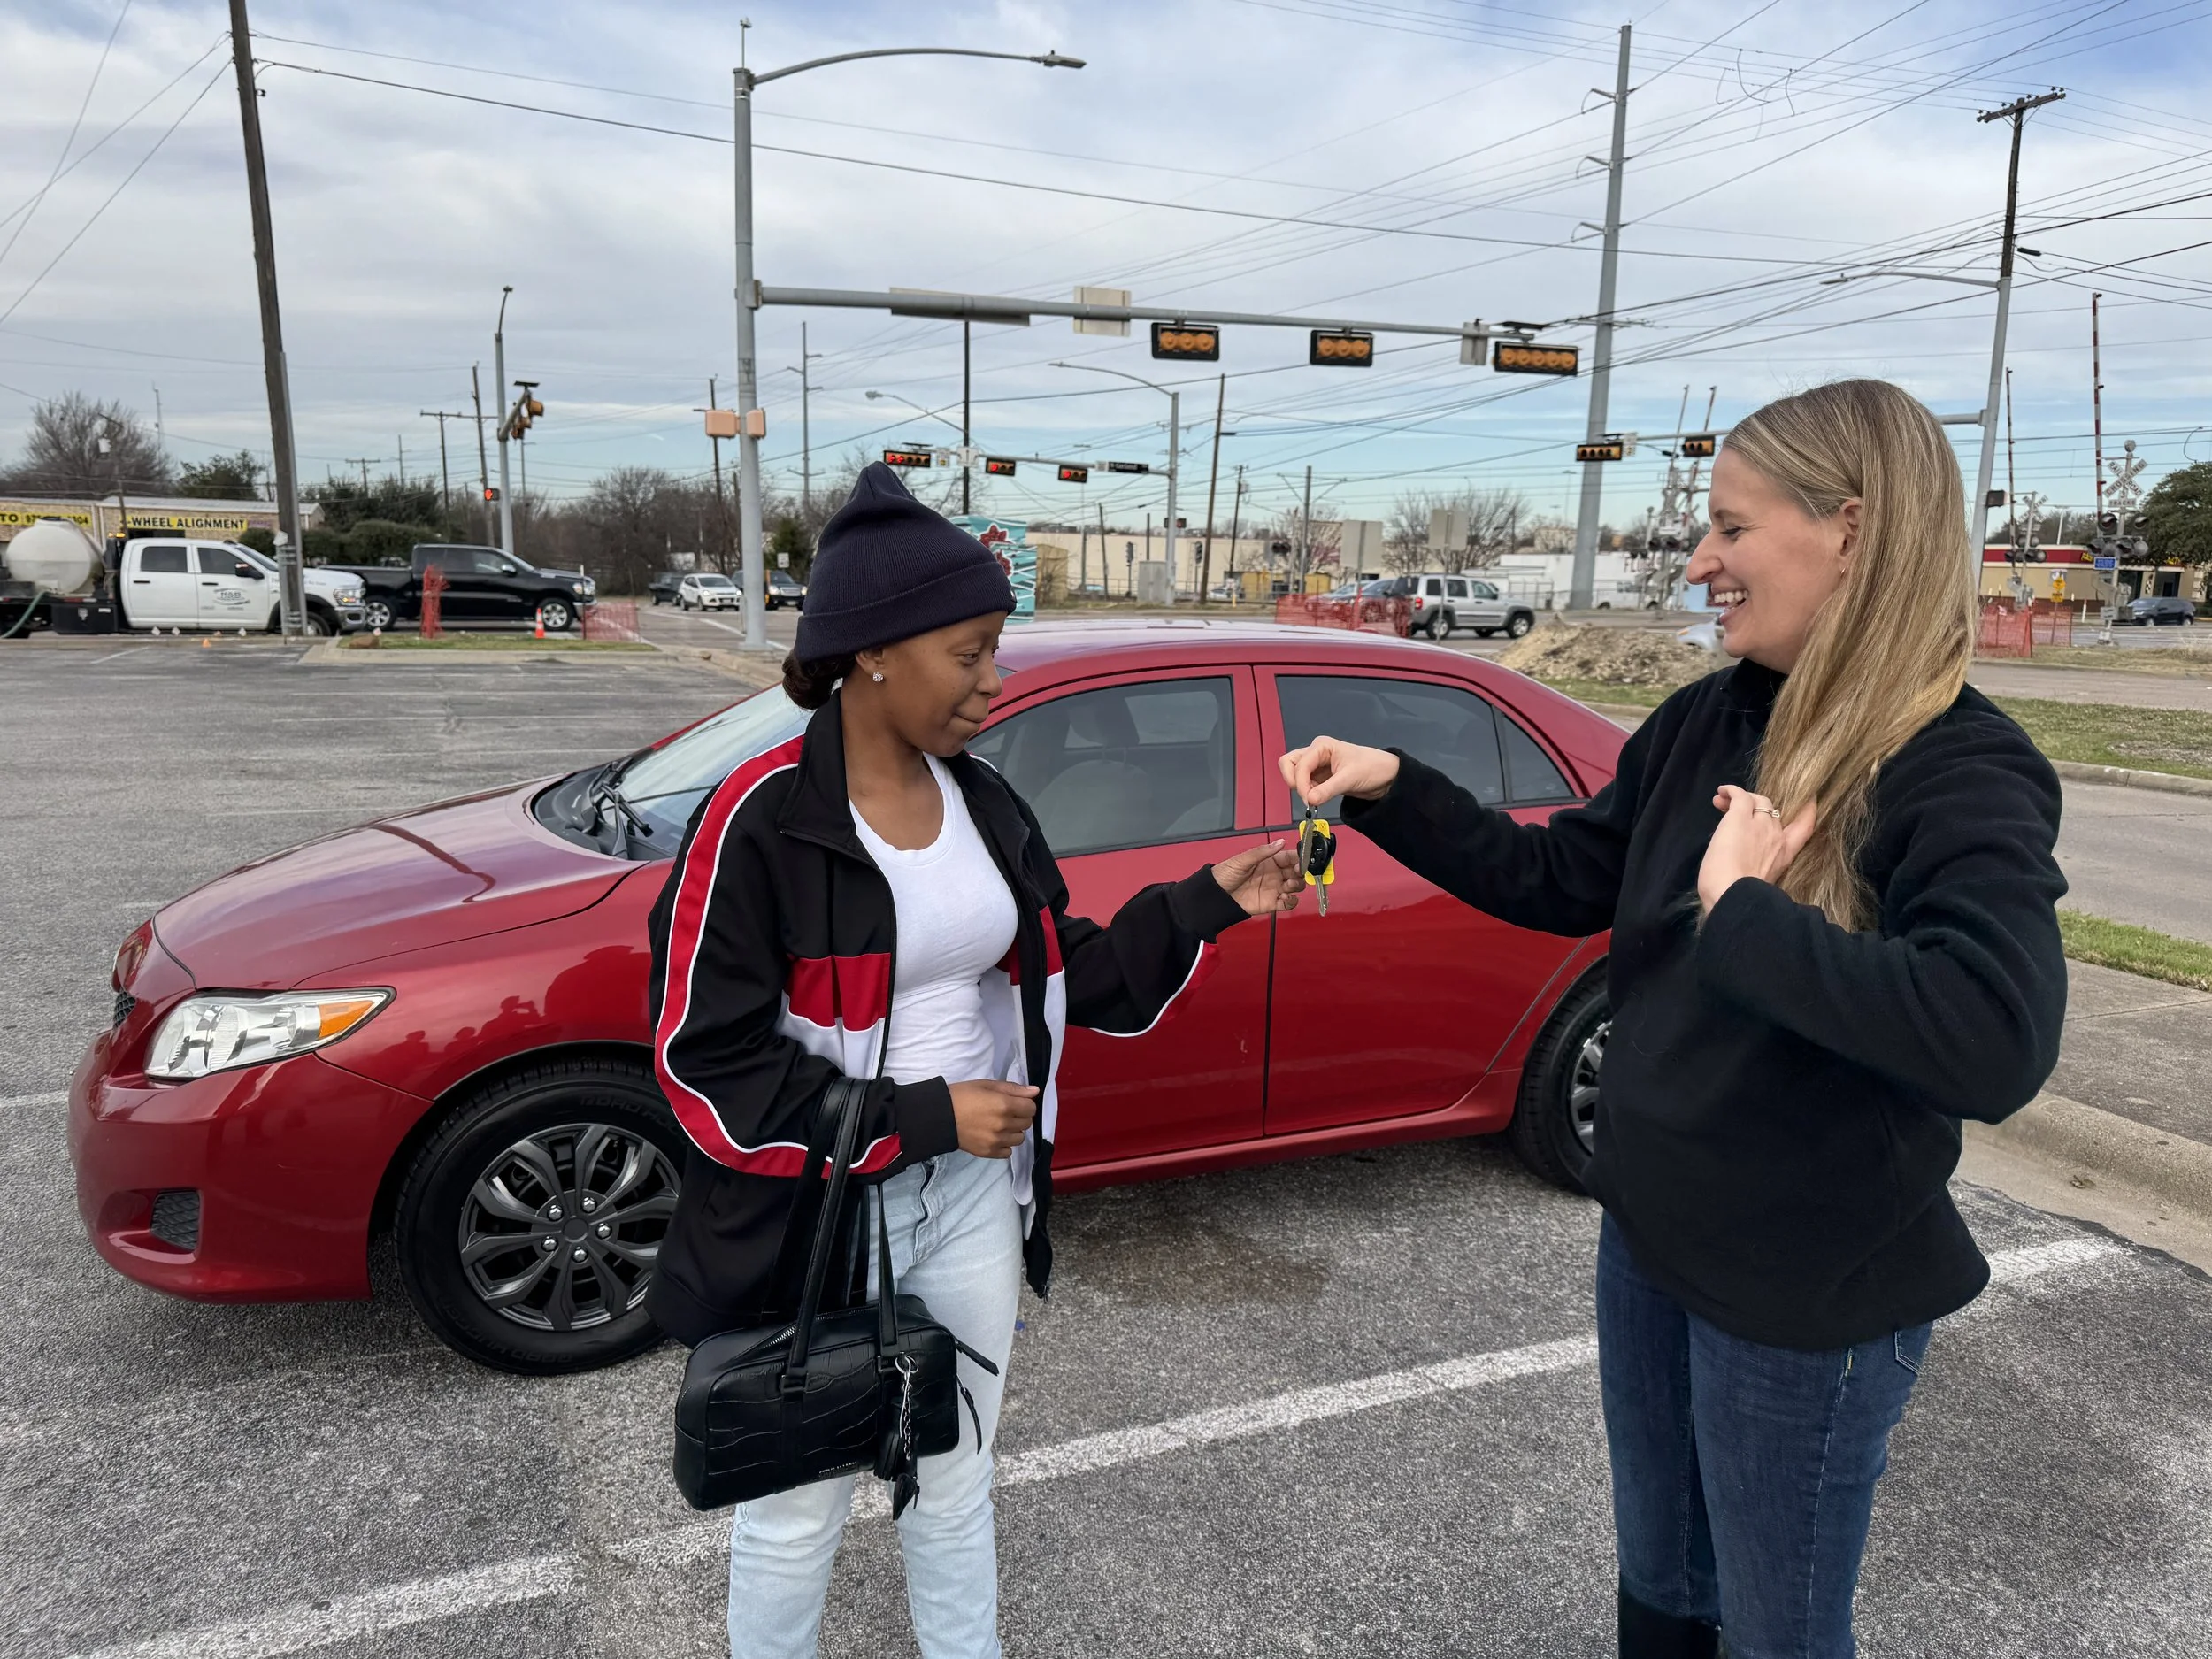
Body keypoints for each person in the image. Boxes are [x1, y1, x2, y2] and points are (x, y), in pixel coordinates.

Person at [1281, 380, 2067, 1659]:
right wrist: (1393, 787)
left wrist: (1747, 912)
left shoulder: (1955, 765)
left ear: (1853, 533)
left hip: (1807, 1288)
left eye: (1731, 527)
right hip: (1652, 1236)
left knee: (1777, 1630)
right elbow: (1563, 877)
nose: (1698, 560)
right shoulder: (1710, 717)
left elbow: (1994, 1037)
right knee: (1662, 1584)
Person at [647, 463, 1302, 1659]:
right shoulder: (760, 824)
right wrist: (923, 1115)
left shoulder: (989, 806)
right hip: (815, 1219)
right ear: (874, 652)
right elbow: (707, 1071)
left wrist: (1207, 900)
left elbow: (1073, 973)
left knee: (954, 1482)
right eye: (971, 650)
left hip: (970, 1209)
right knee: (794, 1514)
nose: (993, 680)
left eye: (996, 646)